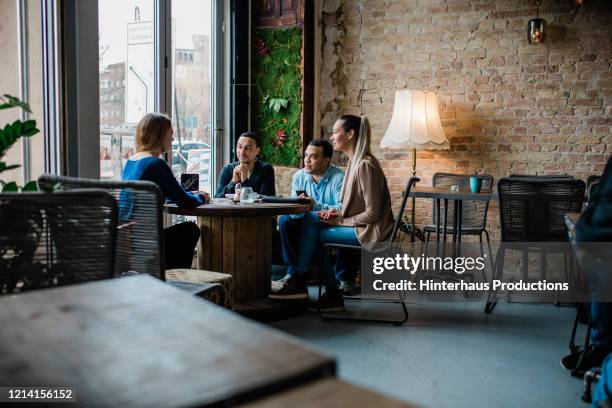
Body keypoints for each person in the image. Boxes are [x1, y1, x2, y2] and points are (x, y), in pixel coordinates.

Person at [312, 114, 395, 311]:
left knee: (318, 235)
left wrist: (340, 221)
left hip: (372, 233)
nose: (331, 137)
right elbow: (357, 207)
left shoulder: (365, 165)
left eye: (335, 132)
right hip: (362, 228)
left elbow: (373, 213)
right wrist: (337, 213)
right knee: (311, 221)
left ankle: (333, 294)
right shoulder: (354, 162)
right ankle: (329, 282)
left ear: (350, 134)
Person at [121, 113, 208, 269]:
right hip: (145, 244)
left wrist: (186, 195)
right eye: (171, 134)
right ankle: (176, 281)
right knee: (190, 230)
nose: (173, 139)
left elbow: (159, 195)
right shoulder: (155, 164)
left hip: (126, 241)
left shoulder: (131, 161)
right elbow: (185, 202)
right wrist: (202, 197)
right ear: (160, 136)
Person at [270, 139, 345, 300]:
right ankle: (292, 271)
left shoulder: (339, 177)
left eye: (313, 157)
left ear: (326, 160)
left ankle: (299, 276)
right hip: (306, 220)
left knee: (310, 218)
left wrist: (314, 205)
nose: (307, 160)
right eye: (306, 156)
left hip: (329, 222)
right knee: (284, 221)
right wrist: (299, 206)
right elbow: (295, 212)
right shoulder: (299, 176)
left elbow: (341, 208)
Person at [215, 132, 275, 198]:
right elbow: (217, 199)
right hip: (231, 208)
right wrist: (233, 182)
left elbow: (267, 199)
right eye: (240, 147)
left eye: (247, 148)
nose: (242, 152)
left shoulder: (266, 169)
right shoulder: (227, 169)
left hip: (254, 208)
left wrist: (245, 181)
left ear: (257, 151)